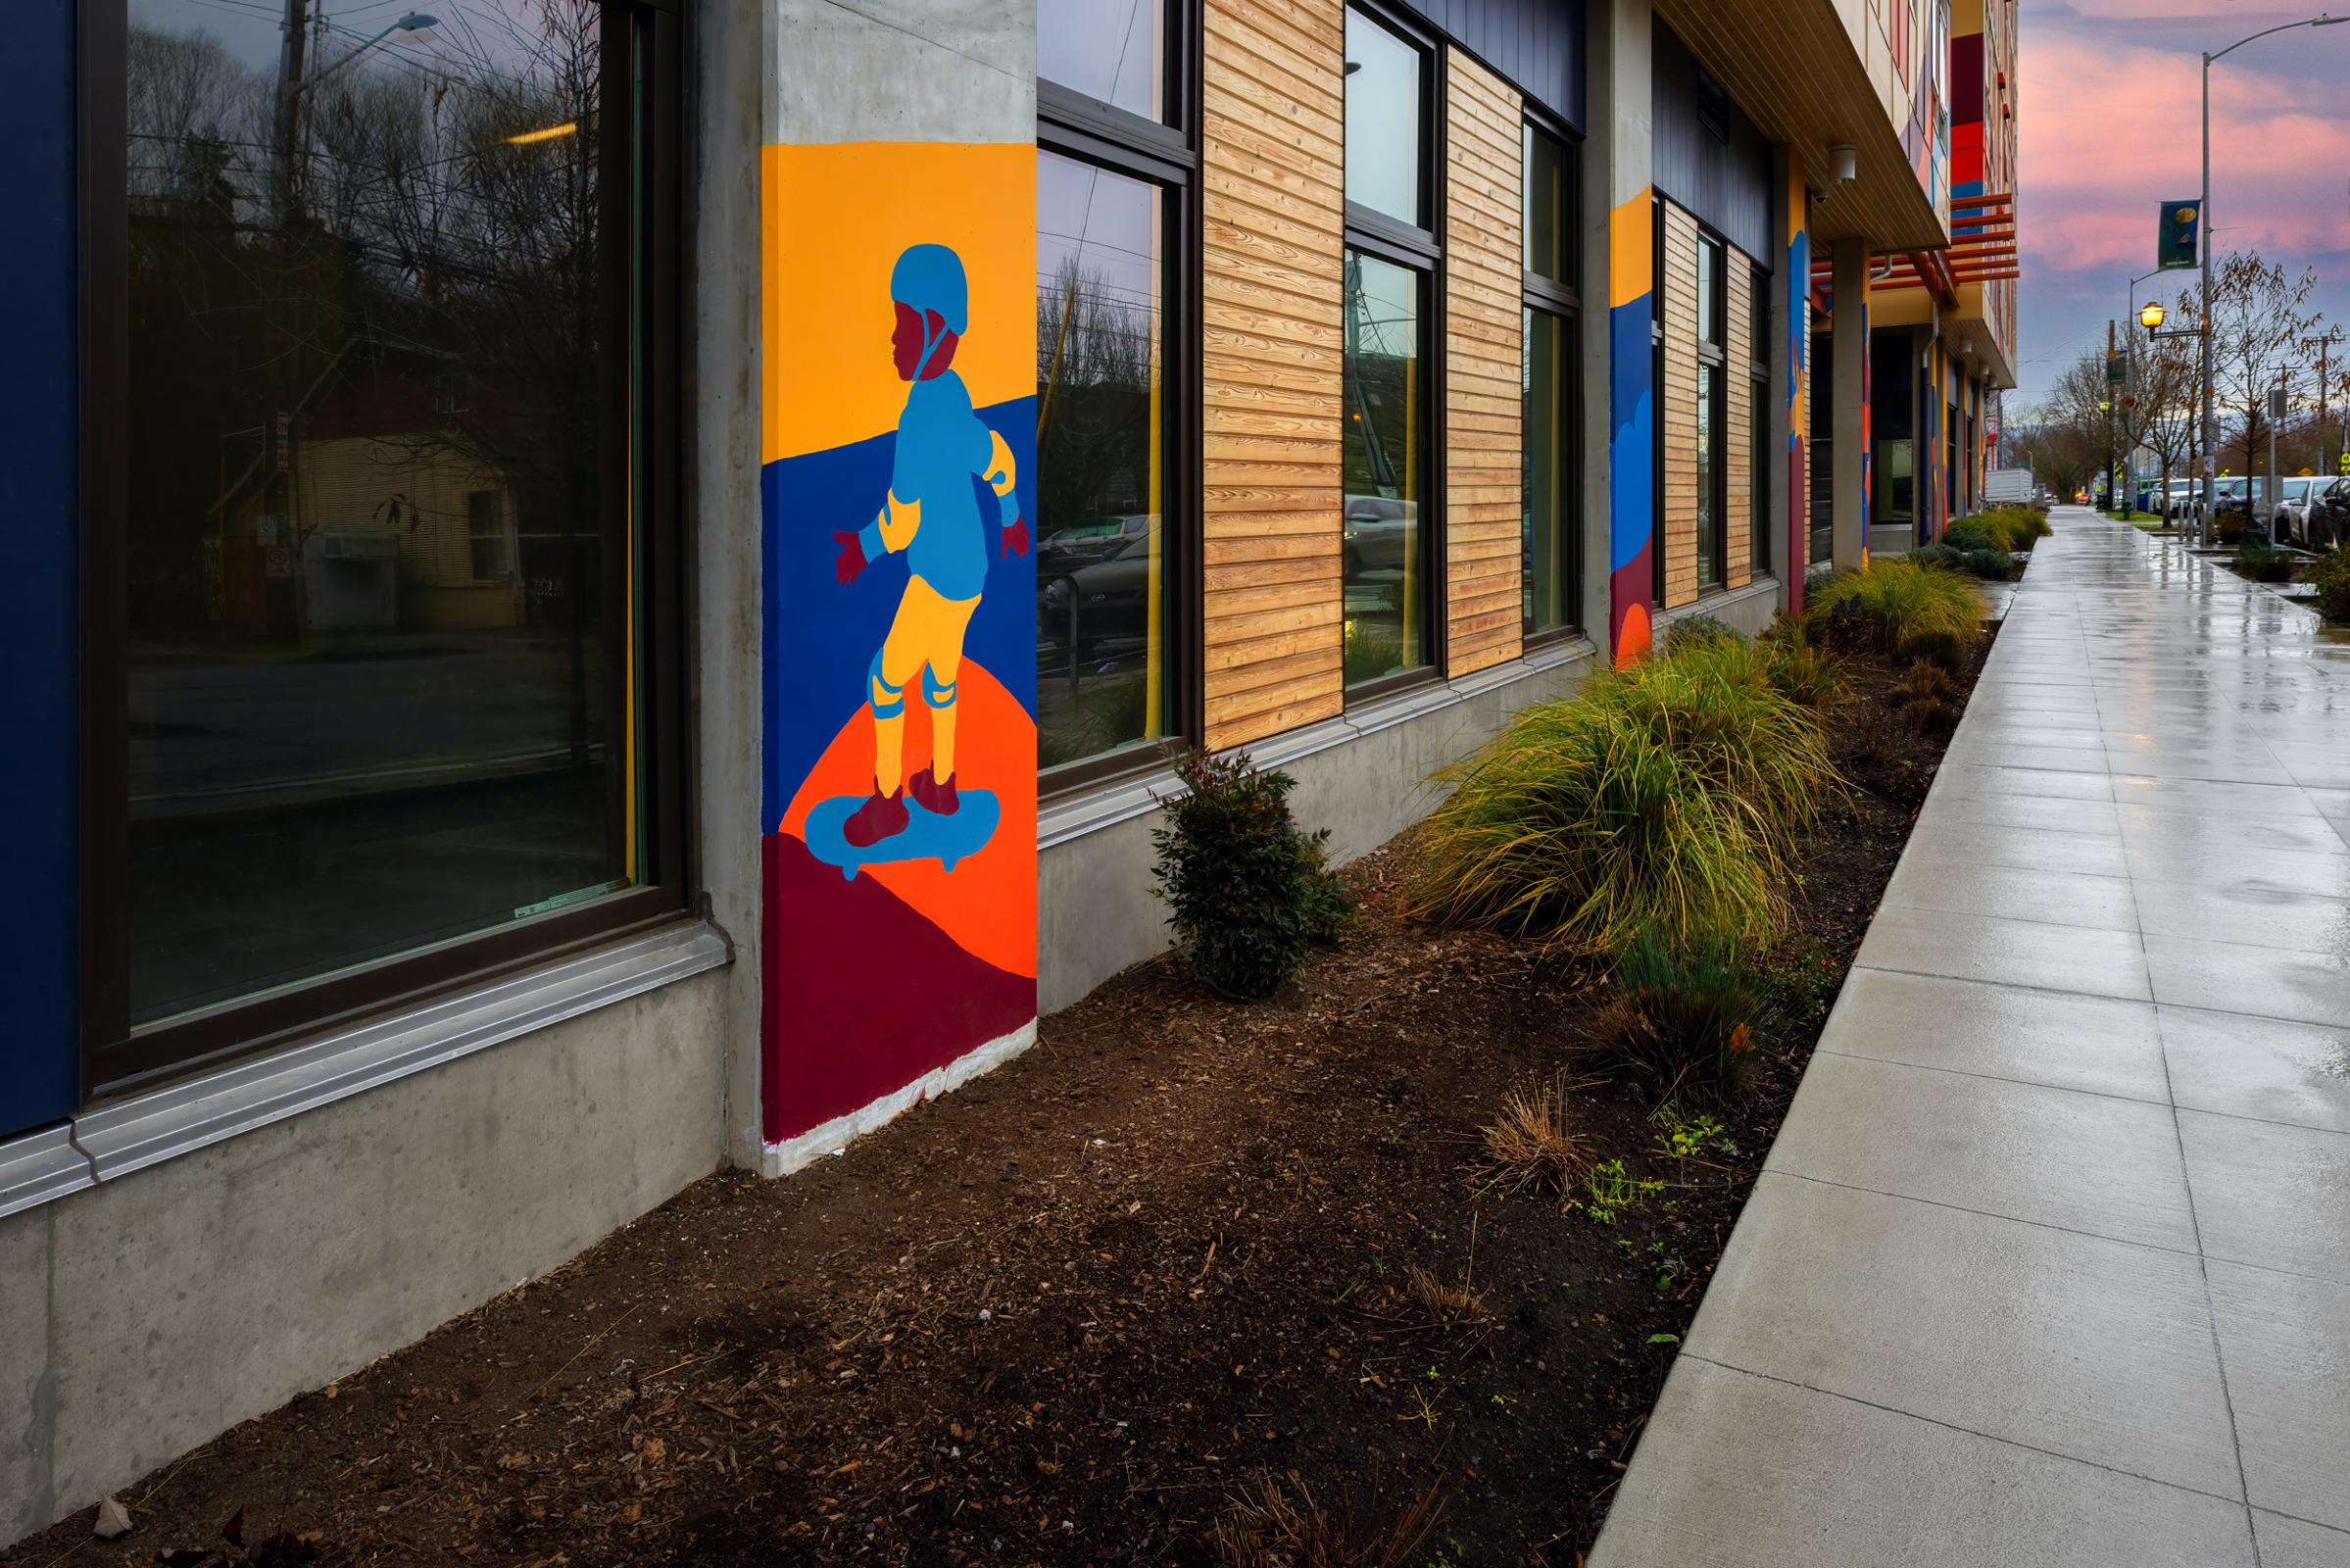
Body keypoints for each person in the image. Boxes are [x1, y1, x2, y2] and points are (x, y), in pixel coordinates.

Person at [832, 243, 1028, 849]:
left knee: (885, 679)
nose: (893, 338)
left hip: (937, 577)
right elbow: (997, 456)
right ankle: (941, 784)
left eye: (903, 322)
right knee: (942, 676)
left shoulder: (920, 416)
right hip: (971, 576)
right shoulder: (955, 400)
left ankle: (888, 800)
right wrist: (1011, 516)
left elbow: (902, 520)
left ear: (937, 327)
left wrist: (862, 548)